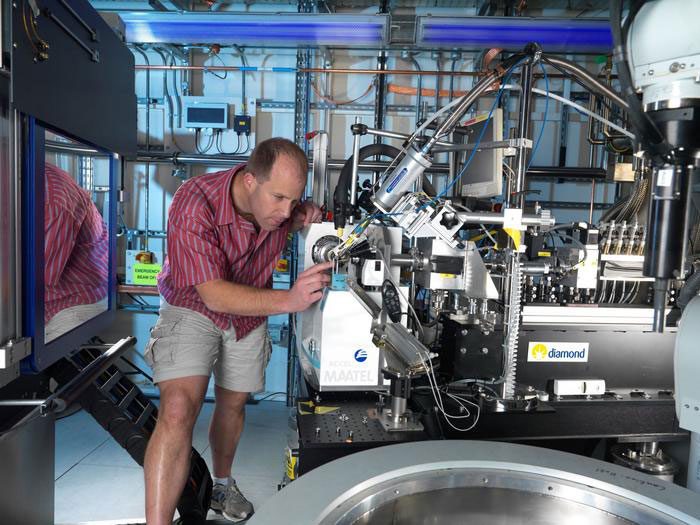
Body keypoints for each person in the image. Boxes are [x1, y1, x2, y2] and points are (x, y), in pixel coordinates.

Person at [143, 137, 331, 524]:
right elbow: (211, 294)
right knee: (178, 409)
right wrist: (290, 300)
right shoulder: (194, 200)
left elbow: (295, 214)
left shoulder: (282, 211)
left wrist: (306, 213)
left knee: (233, 404)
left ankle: (222, 485)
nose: (284, 211)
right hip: (192, 304)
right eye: (278, 197)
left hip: (248, 316)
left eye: (292, 200)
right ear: (249, 181)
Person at [44, 162, 109, 342]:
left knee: (44, 367)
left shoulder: (51, 199)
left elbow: (37, 276)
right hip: (37, 300)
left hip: (71, 302)